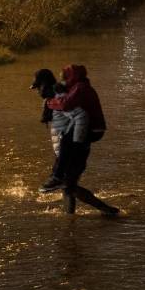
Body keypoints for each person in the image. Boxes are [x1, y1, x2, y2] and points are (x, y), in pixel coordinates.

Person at [45, 65, 119, 216]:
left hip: (82, 137)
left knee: (68, 184)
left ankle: (107, 210)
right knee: (68, 183)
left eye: (65, 77)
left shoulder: (79, 88)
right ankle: (70, 216)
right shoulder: (78, 88)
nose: (64, 80)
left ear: (72, 77)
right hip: (82, 138)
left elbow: (65, 106)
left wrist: (51, 102)